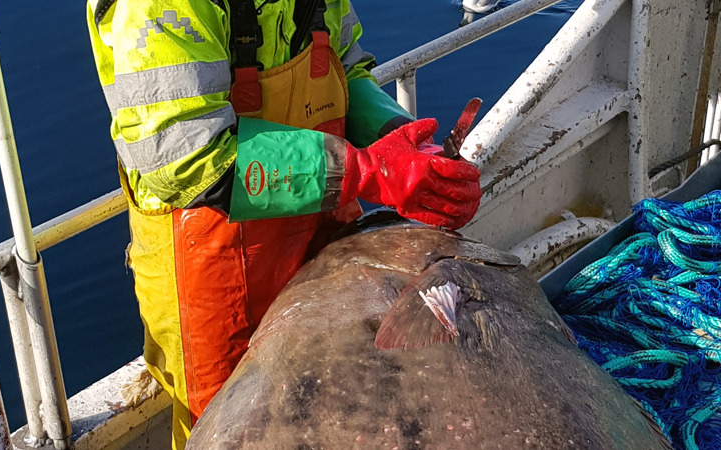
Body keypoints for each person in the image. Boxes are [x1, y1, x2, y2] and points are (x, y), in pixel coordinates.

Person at [85, 0, 482, 446]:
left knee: (345, 404)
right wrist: (369, 171)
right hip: (211, 268)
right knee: (230, 426)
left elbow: (346, 71)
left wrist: (404, 147)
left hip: (319, 242)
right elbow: (187, 159)